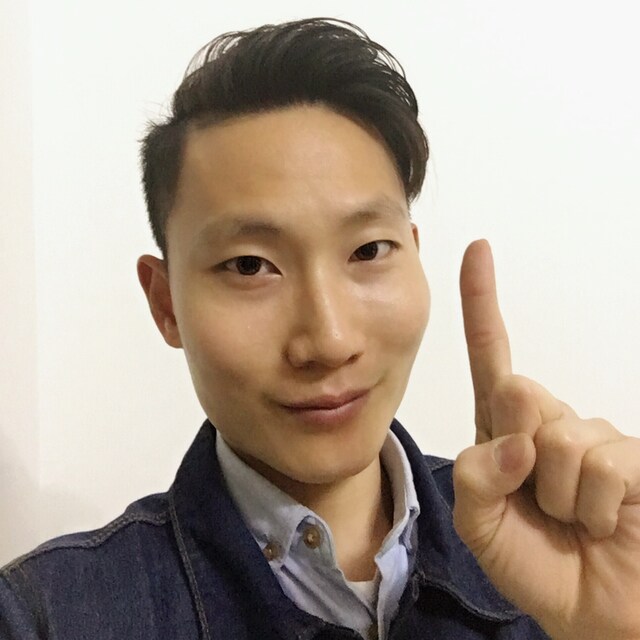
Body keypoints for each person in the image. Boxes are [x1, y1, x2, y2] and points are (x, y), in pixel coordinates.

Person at [1, 17, 638, 640]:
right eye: (250, 265)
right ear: (165, 303)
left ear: (414, 254)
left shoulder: (557, 548)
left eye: (368, 250)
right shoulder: (43, 616)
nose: (329, 342)